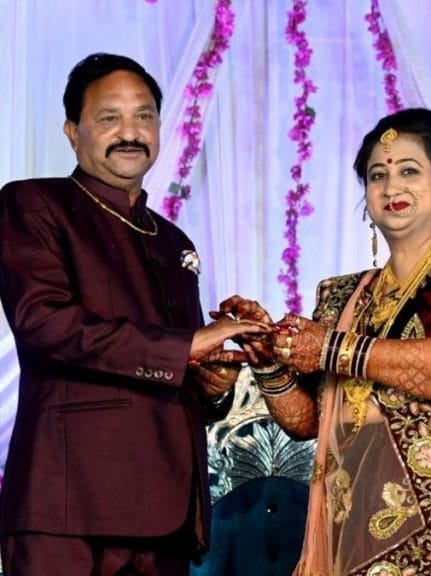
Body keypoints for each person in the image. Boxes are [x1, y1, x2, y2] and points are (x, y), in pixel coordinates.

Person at [0, 53, 266, 575]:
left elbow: (164, 370)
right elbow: (44, 324)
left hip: (164, 513)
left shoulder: (173, 241)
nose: (130, 132)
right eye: (109, 118)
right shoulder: (34, 206)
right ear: (72, 132)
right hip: (68, 507)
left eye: (144, 116)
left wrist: (208, 386)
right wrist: (186, 345)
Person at [220, 108, 431, 576]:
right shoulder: (341, 295)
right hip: (358, 508)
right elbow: (311, 420)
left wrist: (331, 348)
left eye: (410, 171)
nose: (392, 188)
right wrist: (271, 361)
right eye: (378, 176)